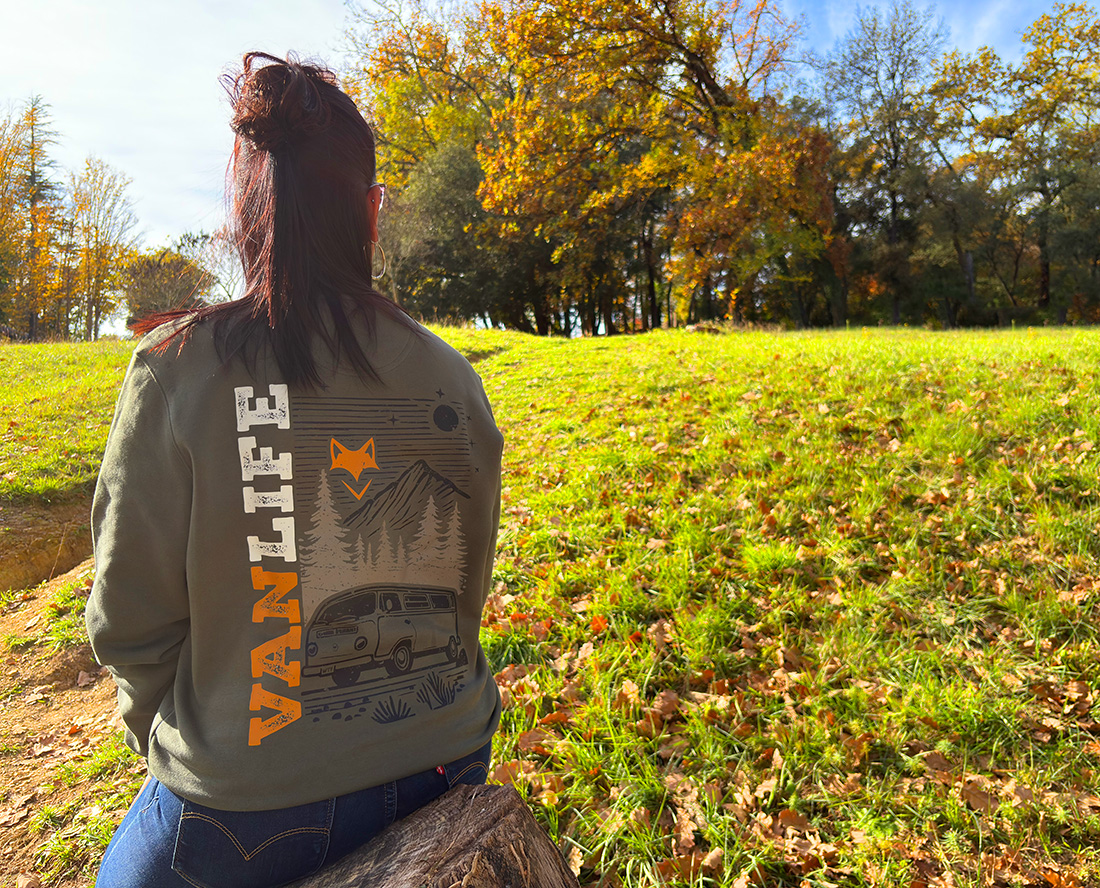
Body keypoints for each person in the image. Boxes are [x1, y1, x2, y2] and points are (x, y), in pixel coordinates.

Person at [86, 52, 503, 888]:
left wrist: (189, 742)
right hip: (448, 757)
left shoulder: (176, 368)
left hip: (241, 801)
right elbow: (466, 589)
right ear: (371, 213)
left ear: (245, 212)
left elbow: (129, 620)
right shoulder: (454, 378)